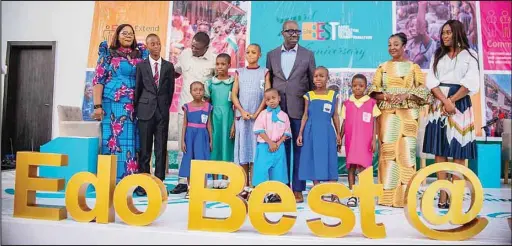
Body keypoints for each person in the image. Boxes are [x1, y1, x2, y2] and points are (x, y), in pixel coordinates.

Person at [369, 32, 431, 208]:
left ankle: (406, 197)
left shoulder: (413, 68)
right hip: (388, 116)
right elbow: (373, 92)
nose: (392, 48)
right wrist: (387, 97)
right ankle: (386, 197)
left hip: (408, 116)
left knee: (406, 154)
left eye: (396, 44)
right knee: (388, 153)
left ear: (404, 46)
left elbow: (424, 93)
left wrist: (406, 93)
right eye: (389, 45)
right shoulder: (382, 67)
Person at [423, 20, 479, 209]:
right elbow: (431, 81)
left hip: (460, 104)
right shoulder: (438, 54)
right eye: (443, 33)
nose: (445, 36)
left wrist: (452, 100)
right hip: (440, 102)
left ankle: (456, 195)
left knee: (458, 150)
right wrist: (445, 101)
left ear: (458, 33)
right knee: (440, 150)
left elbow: (471, 82)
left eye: (448, 32)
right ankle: (443, 194)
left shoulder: (470, 55)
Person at [266, 20, 316, 203]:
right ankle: (282, 187)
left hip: (299, 110)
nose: (294, 34)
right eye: (290, 31)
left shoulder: (308, 55)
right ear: (283, 33)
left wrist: (310, 111)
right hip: (277, 111)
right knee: (280, 151)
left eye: (297, 31)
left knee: (299, 150)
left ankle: (298, 189)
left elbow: (311, 85)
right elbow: (269, 82)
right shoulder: (271, 55)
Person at [92, 24, 148, 180]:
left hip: (135, 104)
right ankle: (111, 181)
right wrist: (97, 106)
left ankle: (131, 181)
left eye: (131, 33)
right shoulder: (108, 54)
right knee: (115, 141)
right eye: (124, 33)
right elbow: (98, 80)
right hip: (113, 103)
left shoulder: (140, 54)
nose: (128, 36)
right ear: (117, 35)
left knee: (133, 141)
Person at [171, 32, 216, 195]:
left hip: (203, 112)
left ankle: (200, 181)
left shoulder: (213, 59)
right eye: (192, 46)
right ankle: (182, 181)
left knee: (201, 147)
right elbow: (175, 71)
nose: (193, 49)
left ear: (206, 47)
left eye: (197, 48)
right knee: (183, 145)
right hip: (186, 108)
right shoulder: (184, 55)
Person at [134, 34, 175, 196]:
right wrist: (138, 109)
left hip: (162, 112)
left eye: (158, 43)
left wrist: (164, 107)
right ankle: (143, 183)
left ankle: (159, 183)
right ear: (147, 46)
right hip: (145, 111)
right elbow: (138, 89)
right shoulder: (141, 66)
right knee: (144, 149)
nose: (156, 46)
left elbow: (170, 90)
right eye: (153, 44)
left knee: (160, 148)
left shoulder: (168, 66)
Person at [296, 66, 341, 202]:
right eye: (316, 76)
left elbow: (335, 116)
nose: (318, 78)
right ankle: (317, 191)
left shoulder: (333, 95)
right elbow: (305, 115)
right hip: (311, 131)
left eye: (322, 76)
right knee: (313, 159)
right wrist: (300, 133)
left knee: (330, 159)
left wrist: (339, 134)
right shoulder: (309, 95)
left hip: (327, 132)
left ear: (328, 78)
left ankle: (334, 192)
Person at [232, 44, 271, 199]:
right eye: (247, 52)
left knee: (255, 152)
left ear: (259, 55)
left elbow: (267, 94)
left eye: (253, 52)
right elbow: (234, 94)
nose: (250, 55)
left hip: (258, 118)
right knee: (243, 152)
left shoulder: (264, 72)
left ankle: (255, 187)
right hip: (242, 118)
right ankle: (244, 186)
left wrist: (257, 112)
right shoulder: (239, 72)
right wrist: (242, 111)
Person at [340, 74, 381, 207]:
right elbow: (344, 122)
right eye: (355, 85)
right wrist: (339, 137)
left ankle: (364, 193)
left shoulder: (371, 103)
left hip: (365, 141)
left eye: (361, 86)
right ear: (351, 86)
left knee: (364, 167)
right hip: (351, 141)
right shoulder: (347, 104)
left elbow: (375, 122)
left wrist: (374, 139)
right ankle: (352, 195)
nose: (357, 88)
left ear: (365, 87)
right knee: (351, 167)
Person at [252, 88, 292, 203]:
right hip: (265, 146)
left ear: (279, 99)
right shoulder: (263, 115)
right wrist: (270, 142)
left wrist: (278, 143)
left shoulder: (284, 116)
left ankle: (276, 194)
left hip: (279, 147)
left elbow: (286, 132)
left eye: (273, 98)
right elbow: (259, 130)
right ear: (265, 101)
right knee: (261, 170)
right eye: (268, 99)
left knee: (278, 170)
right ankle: (261, 194)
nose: (271, 101)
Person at [204, 53, 235, 189]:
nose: (220, 67)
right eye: (217, 64)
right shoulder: (210, 83)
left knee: (227, 147)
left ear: (229, 65)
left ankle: (226, 178)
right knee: (215, 146)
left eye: (223, 64)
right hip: (214, 117)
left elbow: (236, 103)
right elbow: (207, 103)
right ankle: (215, 179)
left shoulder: (233, 82)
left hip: (228, 116)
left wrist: (234, 123)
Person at [179, 81, 213, 199]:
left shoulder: (208, 106)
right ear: (190, 92)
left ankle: (202, 188)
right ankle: (190, 188)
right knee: (190, 161)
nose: (198, 92)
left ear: (204, 91)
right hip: (190, 137)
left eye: (200, 89)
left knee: (201, 161)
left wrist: (211, 140)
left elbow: (209, 124)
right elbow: (184, 124)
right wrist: (182, 141)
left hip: (202, 137)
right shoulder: (187, 106)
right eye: (195, 90)